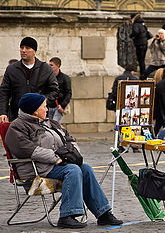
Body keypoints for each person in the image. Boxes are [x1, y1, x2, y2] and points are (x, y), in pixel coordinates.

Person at [5, 93, 123, 229]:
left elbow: (69, 139)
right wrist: (56, 158)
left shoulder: (50, 123)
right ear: (34, 110)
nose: (47, 109)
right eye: (44, 107)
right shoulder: (17, 127)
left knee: (86, 169)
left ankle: (103, 213)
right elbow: (29, 150)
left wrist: (73, 153)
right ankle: (67, 216)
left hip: (56, 165)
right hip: (36, 171)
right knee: (73, 170)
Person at [0, 36, 59, 123]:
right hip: (17, 116)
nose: (23, 50)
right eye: (21, 47)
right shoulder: (11, 69)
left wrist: (42, 102)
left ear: (34, 51)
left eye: (27, 48)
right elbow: (4, 92)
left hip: (38, 116)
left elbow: (54, 90)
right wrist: (3, 112)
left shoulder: (45, 68)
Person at [111, 65, 141, 153]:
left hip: (121, 106)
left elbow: (114, 92)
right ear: (132, 71)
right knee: (132, 125)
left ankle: (121, 145)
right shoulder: (135, 78)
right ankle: (134, 145)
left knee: (121, 125)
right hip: (133, 107)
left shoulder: (118, 78)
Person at [48, 57, 72, 123]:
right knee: (49, 125)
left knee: (55, 125)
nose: (49, 67)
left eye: (51, 65)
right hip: (49, 106)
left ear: (57, 66)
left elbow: (68, 93)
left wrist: (62, 105)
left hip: (58, 106)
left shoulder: (65, 78)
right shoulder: (48, 77)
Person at [130, 13, 152, 79]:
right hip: (144, 43)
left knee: (140, 60)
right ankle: (143, 73)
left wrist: (131, 36)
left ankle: (142, 74)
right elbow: (149, 35)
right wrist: (144, 39)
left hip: (139, 44)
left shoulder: (136, 25)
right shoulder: (143, 25)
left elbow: (136, 32)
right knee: (142, 59)